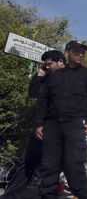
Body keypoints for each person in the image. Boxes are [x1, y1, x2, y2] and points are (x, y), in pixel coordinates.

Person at [36, 40, 87, 199]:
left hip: (75, 124)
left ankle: (81, 195)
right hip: (52, 125)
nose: (80, 54)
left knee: (74, 164)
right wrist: (38, 124)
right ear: (67, 52)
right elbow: (43, 100)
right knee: (49, 165)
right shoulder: (54, 76)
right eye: (76, 51)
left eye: (82, 52)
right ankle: (48, 196)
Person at [2, 50, 66, 199]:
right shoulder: (46, 78)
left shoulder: (71, 77)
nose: (47, 67)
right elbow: (33, 93)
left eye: (49, 64)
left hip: (62, 128)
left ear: (61, 62)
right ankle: (10, 196)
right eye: (45, 65)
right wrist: (40, 75)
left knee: (56, 165)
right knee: (27, 161)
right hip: (42, 127)